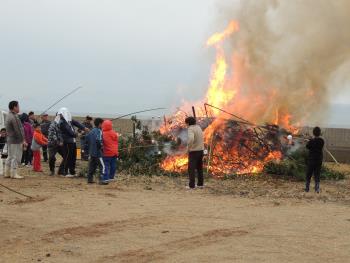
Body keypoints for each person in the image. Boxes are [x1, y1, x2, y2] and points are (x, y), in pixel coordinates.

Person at [58, 107, 86, 177]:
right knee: (67, 157)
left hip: (72, 142)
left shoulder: (69, 120)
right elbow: (70, 132)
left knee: (73, 157)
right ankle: (63, 171)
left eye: (61, 114)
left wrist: (84, 128)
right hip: (67, 142)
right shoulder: (62, 122)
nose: (60, 116)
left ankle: (72, 171)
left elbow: (77, 123)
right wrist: (78, 134)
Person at [4, 101, 26, 179]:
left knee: (10, 156)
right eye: (18, 106)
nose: (19, 108)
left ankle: (7, 173)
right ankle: (13, 173)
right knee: (15, 157)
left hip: (10, 139)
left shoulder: (8, 115)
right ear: (14, 107)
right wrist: (23, 140)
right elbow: (18, 130)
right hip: (15, 140)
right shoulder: (14, 117)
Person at [85, 118, 108, 185]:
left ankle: (89, 179)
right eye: (102, 124)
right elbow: (98, 140)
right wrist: (101, 147)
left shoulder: (91, 131)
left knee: (92, 166)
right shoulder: (99, 131)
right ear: (100, 124)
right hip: (98, 153)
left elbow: (87, 139)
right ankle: (102, 180)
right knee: (102, 166)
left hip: (92, 152)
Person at [185, 117, 204, 189]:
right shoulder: (198, 127)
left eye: (186, 123)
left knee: (191, 168)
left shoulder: (190, 129)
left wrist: (188, 148)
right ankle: (200, 184)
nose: (186, 125)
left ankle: (191, 185)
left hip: (194, 151)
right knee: (199, 168)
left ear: (188, 123)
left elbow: (191, 139)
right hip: (201, 150)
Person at [305, 127, 325, 193]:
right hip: (319, 160)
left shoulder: (311, 141)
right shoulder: (322, 141)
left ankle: (307, 188)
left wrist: (308, 141)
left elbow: (307, 146)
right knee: (317, 174)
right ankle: (317, 189)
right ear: (319, 133)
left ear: (313, 133)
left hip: (311, 159)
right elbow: (318, 143)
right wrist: (311, 140)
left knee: (309, 174)